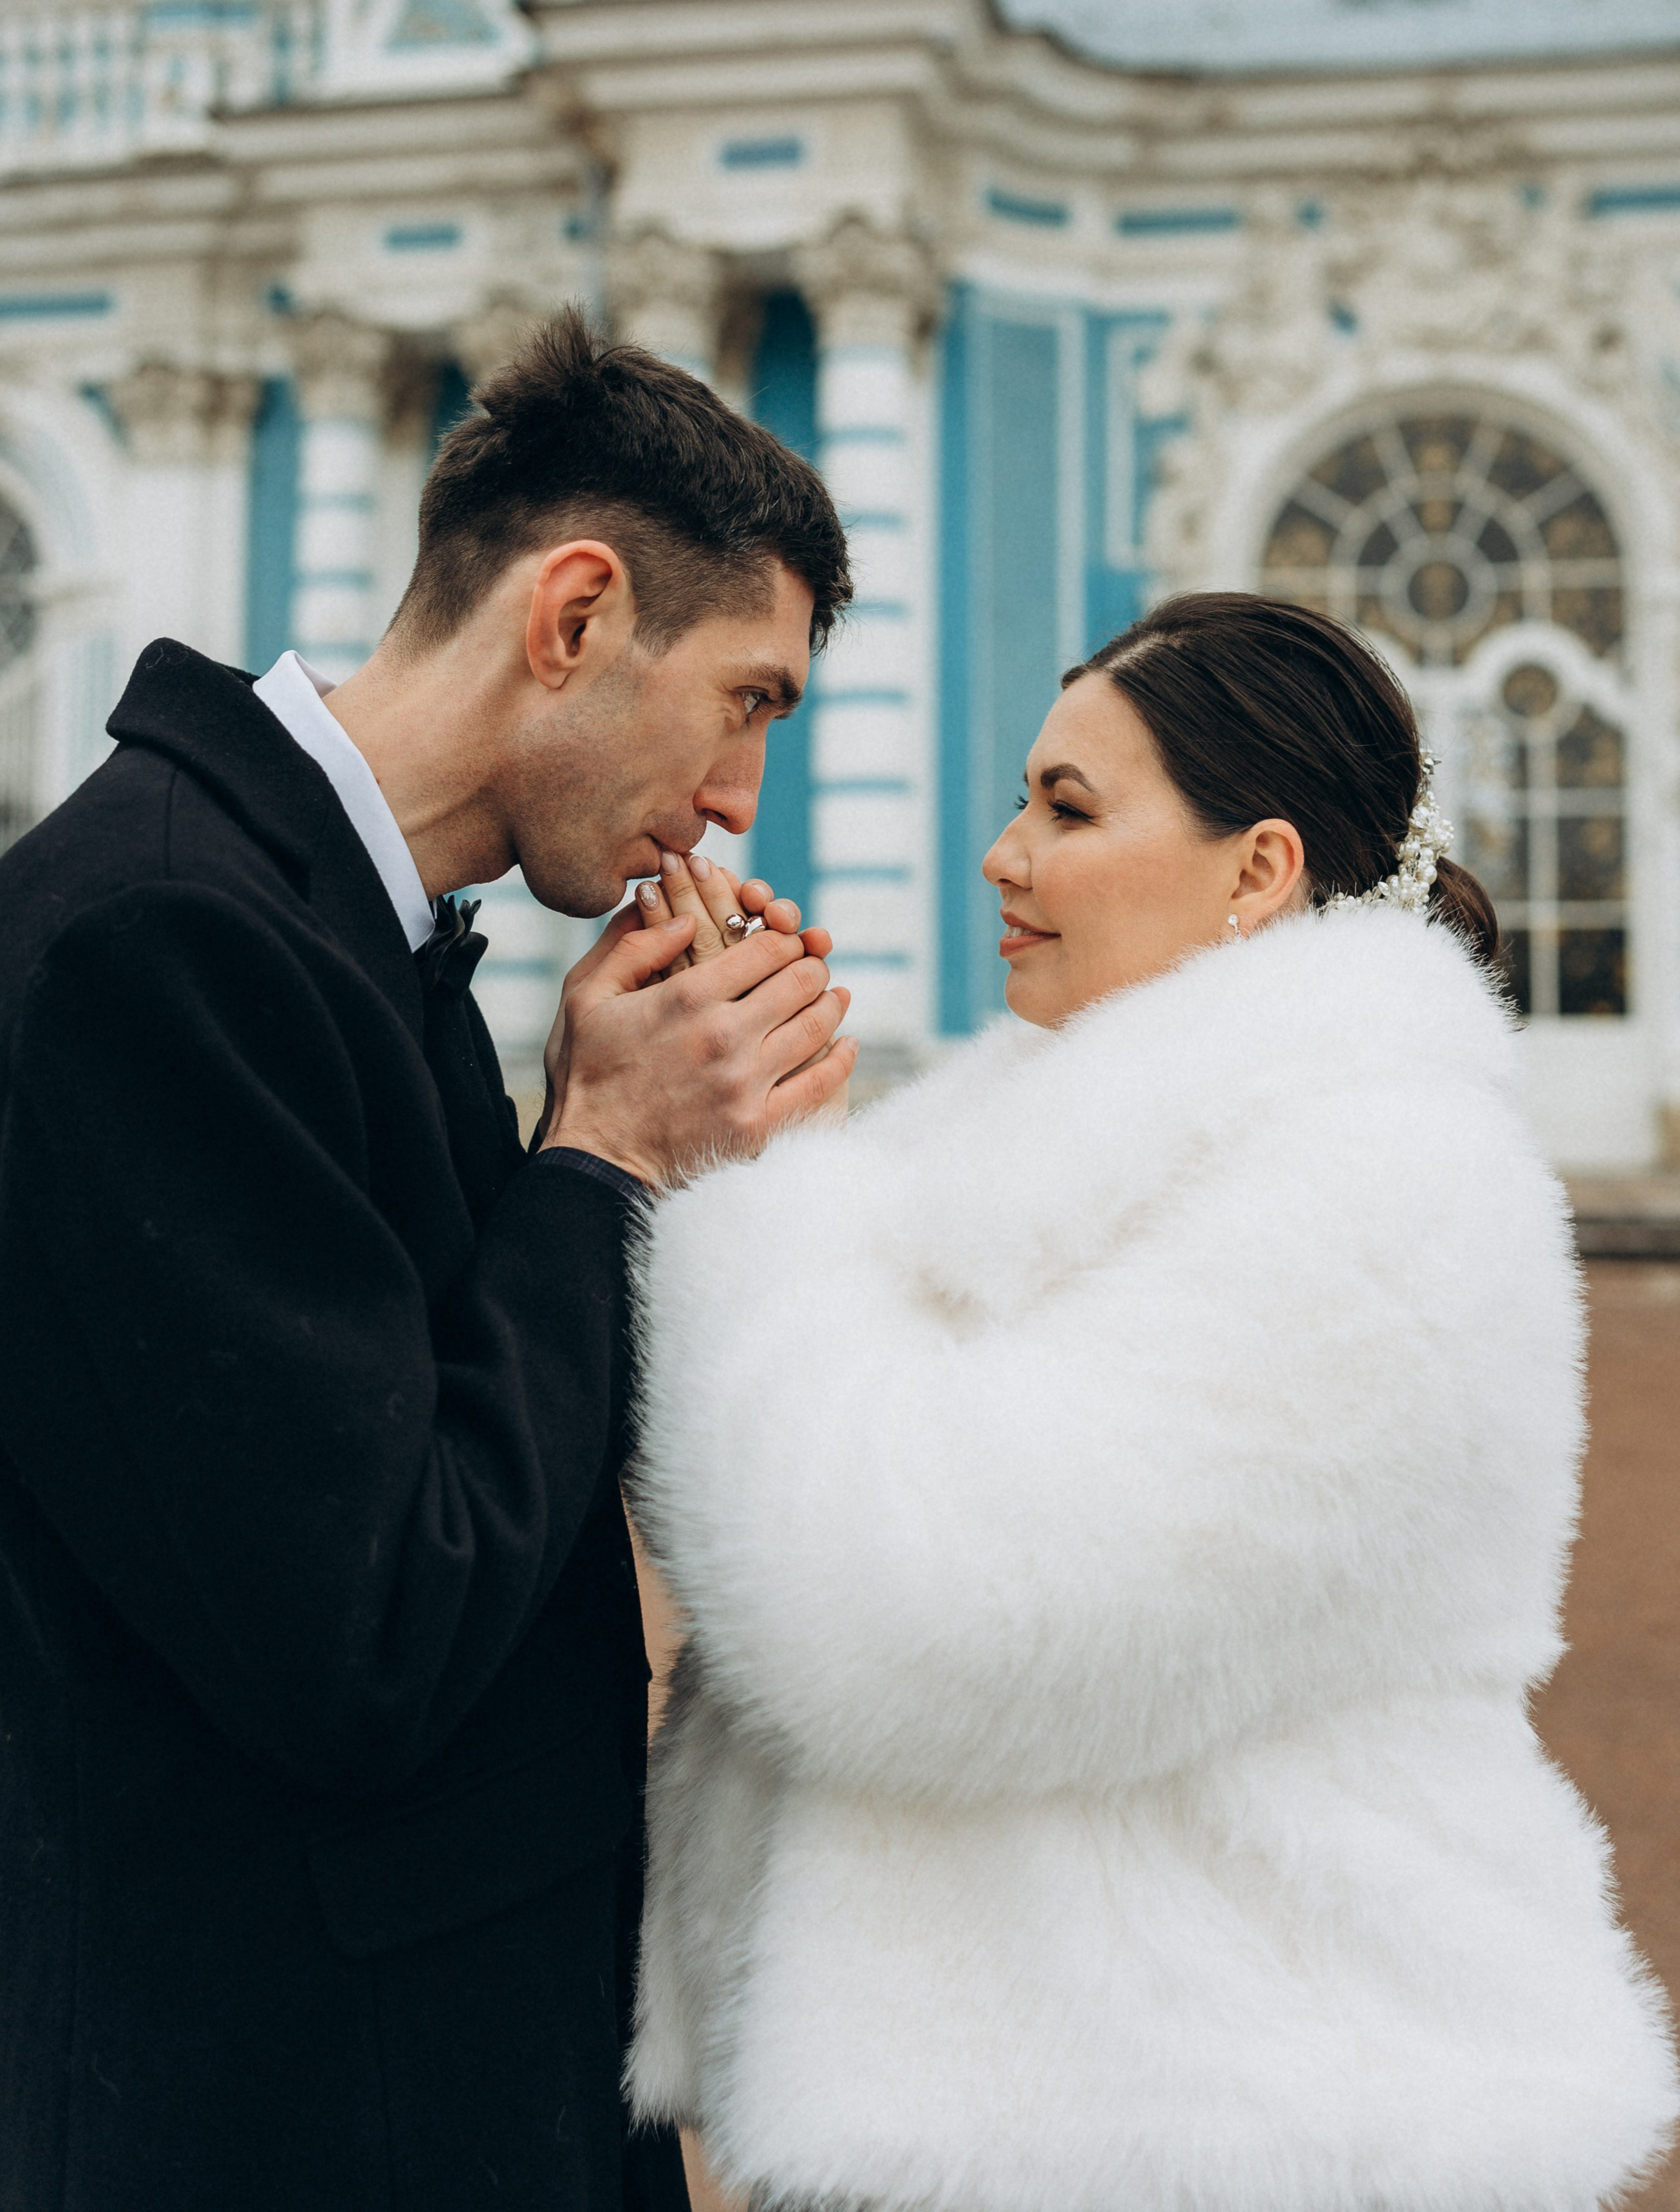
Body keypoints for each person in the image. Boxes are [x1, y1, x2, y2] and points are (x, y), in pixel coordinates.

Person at [625, 593, 1679, 2212]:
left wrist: (752, 1197)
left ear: (1256, 870)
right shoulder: (1072, 1134)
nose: (1000, 852)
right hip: (1045, 2102)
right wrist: (778, 1143)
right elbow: (832, 1459)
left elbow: (944, 1608)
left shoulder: (1377, 1185)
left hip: (1222, 2114)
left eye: (1066, 809)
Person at [0, 311, 855, 2212]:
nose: (736, 805)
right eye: (748, 701)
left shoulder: (340, 924)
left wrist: (668, 1169)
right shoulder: (159, 941)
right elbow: (373, 1631)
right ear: (574, 616)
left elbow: (466, 1415)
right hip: (297, 2114)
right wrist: (608, 1159)